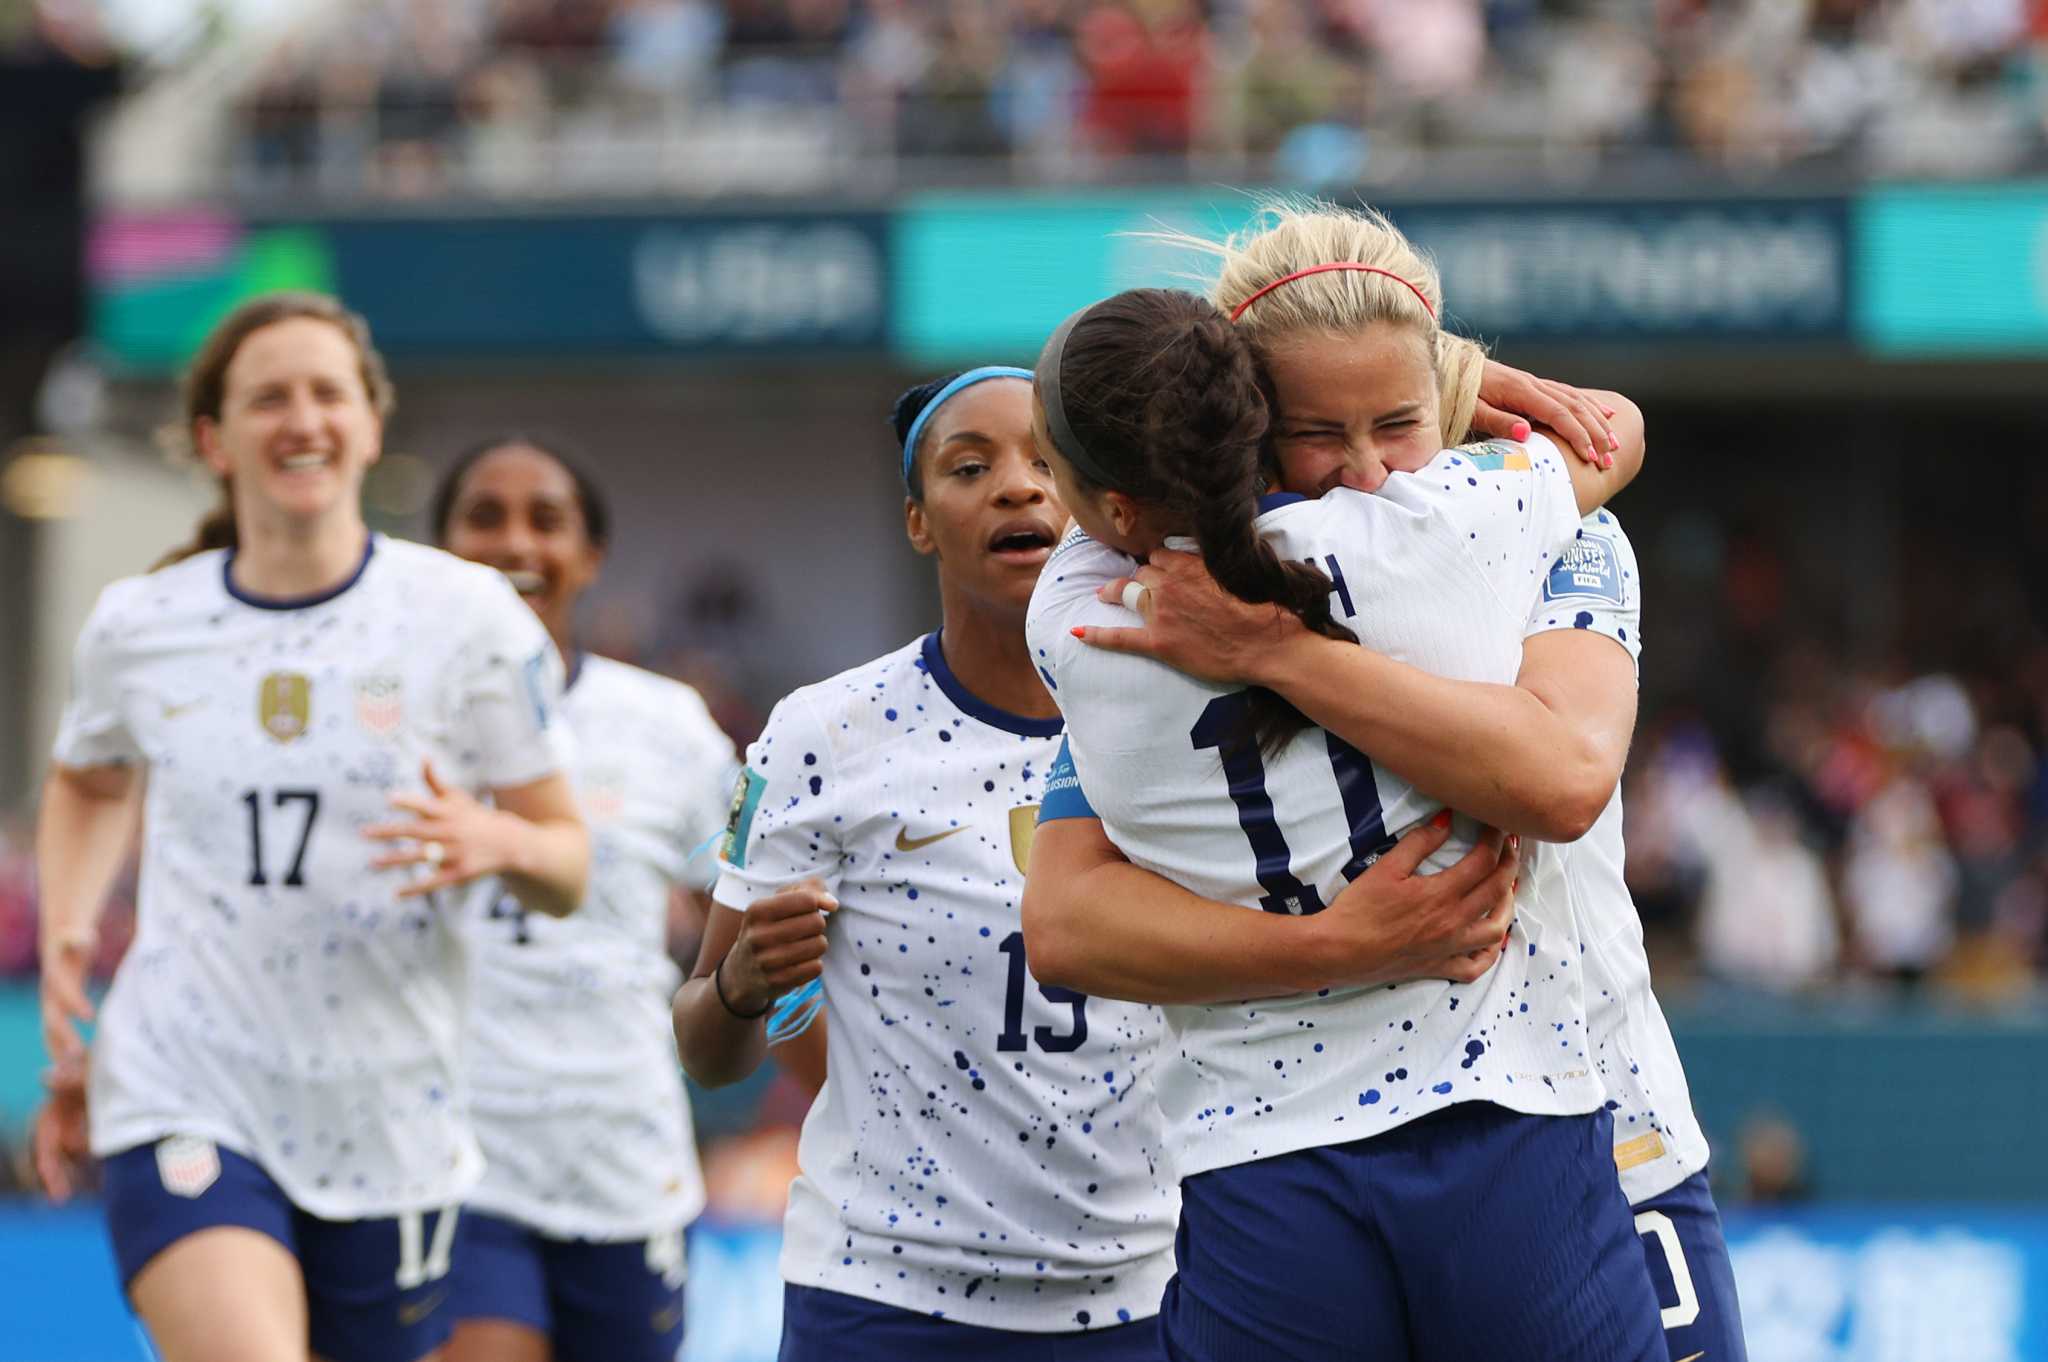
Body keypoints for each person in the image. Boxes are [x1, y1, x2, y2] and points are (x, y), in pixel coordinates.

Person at [669, 365, 1521, 1361]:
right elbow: (707, 1049)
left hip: (1157, 1291)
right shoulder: (823, 733)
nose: (1016, 488)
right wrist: (737, 986)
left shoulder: (1208, 701)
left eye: (1044, 462)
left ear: (1100, 500)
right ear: (915, 520)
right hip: (880, 1302)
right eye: (968, 466)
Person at [1052, 202, 1745, 1362]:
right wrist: (1342, 945)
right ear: (1240, 425)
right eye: (1315, 431)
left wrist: (1275, 652)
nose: (1367, 470)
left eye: (1398, 421)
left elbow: (1564, 776)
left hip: (1600, 1116)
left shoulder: (1129, 604)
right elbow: (1068, 919)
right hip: (1474, 1126)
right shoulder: (1503, 520)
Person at [35, 292, 589, 1362]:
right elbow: (90, 781)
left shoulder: (467, 618)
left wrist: (499, 844)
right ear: (213, 439)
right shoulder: (139, 624)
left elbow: (566, 862)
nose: (303, 420)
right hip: (185, 1086)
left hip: (388, 1119)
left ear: (370, 425)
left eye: (328, 393)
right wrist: (68, 924)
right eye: (269, 398)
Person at [430, 435, 738, 1362]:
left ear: (591, 555)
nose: (515, 541)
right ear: (440, 547)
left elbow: (745, 916)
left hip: (626, 1164)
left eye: (546, 520)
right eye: (483, 518)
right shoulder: (392, 718)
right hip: (457, 1163)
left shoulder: (667, 727)